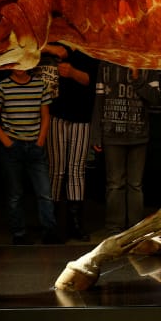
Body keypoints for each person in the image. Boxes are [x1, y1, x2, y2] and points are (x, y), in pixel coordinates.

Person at [0, 60, 62, 245]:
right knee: (15, 194)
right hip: (13, 147)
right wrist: (8, 142)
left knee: (44, 192)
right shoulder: (3, 86)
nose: (19, 67)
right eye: (15, 63)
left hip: (34, 146)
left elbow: (45, 116)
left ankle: (49, 232)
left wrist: (40, 140)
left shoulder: (39, 85)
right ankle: (19, 233)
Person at [91, 61, 161, 235]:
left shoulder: (147, 62)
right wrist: (96, 133)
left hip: (138, 134)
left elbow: (155, 98)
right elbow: (99, 99)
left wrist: (137, 79)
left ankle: (135, 228)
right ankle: (115, 229)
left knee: (135, 184)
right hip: (112, 133)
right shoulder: (106, 62)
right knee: (115, 184)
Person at [42, 43, 96, 242]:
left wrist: (73, 73)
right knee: (56, 169)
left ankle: (75, 224)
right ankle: (52, 224)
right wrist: (51, 48)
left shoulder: (88, 48)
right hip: (57, 113)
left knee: (76, 170)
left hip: (81, 116)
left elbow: (91, 79)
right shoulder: (55, 40)